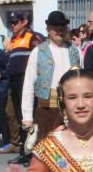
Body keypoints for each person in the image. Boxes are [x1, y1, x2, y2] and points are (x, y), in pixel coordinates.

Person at [20, 11, 80, 142]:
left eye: (62, 27)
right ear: (48, 29)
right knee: (45, 152)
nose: (59, 30)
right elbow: (29, 84)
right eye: (55, 27)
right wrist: (27, 116)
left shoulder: (76, 51)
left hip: (72, 108)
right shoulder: (38, 52)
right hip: (47, 110)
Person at [4, 11, 41, 155]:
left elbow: (40, 55)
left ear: (23, 22)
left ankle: (30, 149)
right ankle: (21, 146)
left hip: (25, 80)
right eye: (11, 23)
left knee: (27, 113)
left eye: (15, 22)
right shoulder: (13, 39)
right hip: (13, 81)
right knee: (14, 113)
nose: (12, 25)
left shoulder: (31, 37)